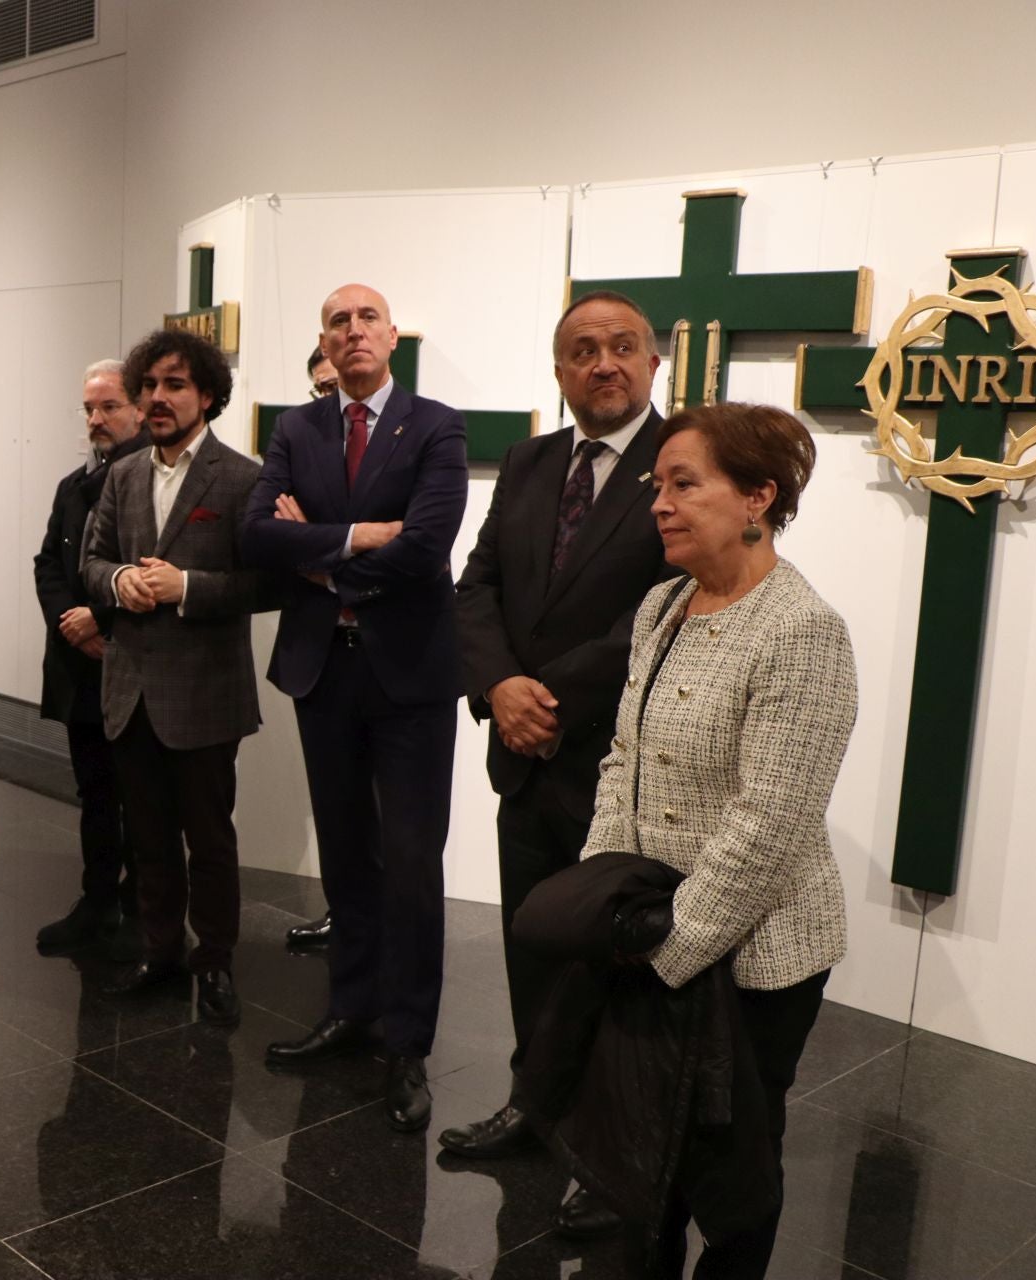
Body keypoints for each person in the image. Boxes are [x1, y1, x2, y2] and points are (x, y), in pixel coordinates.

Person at [576, 401, 856, 1277]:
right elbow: (623, 756)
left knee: (734, 1161)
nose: (659, 502)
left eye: (684, 484)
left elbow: (768, 825)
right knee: (647, 1136)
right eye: (657, 485)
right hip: (649, 926)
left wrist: (671, 948)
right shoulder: (663, 603)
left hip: (757, 953)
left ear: (757, 498)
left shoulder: (802, 630)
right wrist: (606, 893)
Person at [442, 290, 669, 1235]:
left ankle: (607, 1148)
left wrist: (548, 698)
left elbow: (669, 601)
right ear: (559, 371)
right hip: (523, 756)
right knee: (533, 941)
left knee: (614, 963)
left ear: (654, 364)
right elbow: (478, 583)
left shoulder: (684, 461)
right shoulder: (535, 461)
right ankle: (534, 1105)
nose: (603, 363)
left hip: (620, 763)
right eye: (583, 350)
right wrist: (499, 690)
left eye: (622, 347)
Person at [239, 283, 467, 1132]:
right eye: (337, 320)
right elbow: (259, 533)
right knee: (345, 854)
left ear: (392, 334)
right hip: (322, 671)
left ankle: (408, 1040)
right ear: (324, 344)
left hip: (408, 675)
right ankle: (352, 1006)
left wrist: (325, 556)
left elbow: (429, 546)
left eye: (366, 317)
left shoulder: (437, 424)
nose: (352, 331)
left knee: (411, 862)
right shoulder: (296, 428)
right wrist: (367, 532)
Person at [83, 327, 268, 1027]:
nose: (159, 399)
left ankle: (213, 960)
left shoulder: (242, 477)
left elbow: (266, 583)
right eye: (151, 385)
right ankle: (161, 951)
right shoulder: (124, 473)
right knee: (149, 838)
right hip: (130, 690)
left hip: (206, 694)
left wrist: (185, 586)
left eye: (176, 386)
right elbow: (93, 563)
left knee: (210, 840)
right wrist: (123, 578)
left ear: (208, 395)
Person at [31, 359, 150, 954]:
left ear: (139, 408)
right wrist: (71, 624)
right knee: (95, 793)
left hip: (134, 661)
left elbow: (153, 569)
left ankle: (141, 911)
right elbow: (48, 563)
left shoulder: (156, 476)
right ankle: (97, 901)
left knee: (142, 799)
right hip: (81, 663)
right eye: (88, 409)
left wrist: (100, 619)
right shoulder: (71, 483)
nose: (96, 419)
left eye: (108, 406)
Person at [286, 343, 342, 953]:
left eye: (335, 386)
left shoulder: (399, 447)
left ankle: (380, 925)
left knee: (386, 815)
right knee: (333, 803)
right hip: (316, 651)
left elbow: (400, 545)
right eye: (318, 389)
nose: (328, 398)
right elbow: (269, 536)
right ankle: (341, 910)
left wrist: (315, 544)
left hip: (386, 653)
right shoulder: (298, 449)